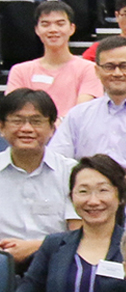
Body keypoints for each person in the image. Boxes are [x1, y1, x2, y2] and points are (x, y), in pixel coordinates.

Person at [7, 155, 126, 292]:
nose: (93, 201)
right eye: (83, 191)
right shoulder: (54, 245)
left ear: (120, 195)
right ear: (71, 197)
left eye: (103, 190)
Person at [51, 36, 126, 171]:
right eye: (109, 67)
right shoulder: (77, 116)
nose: (117, 73)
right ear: (97, 71)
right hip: (89, 185)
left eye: (124, 66)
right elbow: (58, 159)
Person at [0, 89, 77, 264]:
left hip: (57, 263)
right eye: (17, 121)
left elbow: (81, 234)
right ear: (1, 127)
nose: (26, 129)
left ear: (52, 128)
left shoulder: (72, 172)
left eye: (36, 121)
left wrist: (36, 247)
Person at [5, 2, 100, 117]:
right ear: (37, 29)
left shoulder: (89, 69)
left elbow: (82, 113)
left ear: (72, 28)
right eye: (45, 24)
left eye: (60, 24)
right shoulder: (20, 71)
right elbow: (14, 111)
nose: (53, 30)